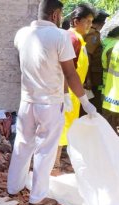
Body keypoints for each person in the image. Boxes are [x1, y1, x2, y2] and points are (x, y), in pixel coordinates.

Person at [7, 0, 97, 205]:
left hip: (27, 100)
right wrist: (84, 100)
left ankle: (13, 187)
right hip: (50, 103)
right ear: (56, 15)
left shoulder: (21, 34)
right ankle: (37, 197)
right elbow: (70, 73)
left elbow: (23, 63)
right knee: (45, 150)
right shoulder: (60, 36)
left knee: (22, 144)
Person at [56, 4, 95, 169]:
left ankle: (58, 162)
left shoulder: (79, 40)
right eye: (86, 21)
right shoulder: (72, 39)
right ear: (75, 21)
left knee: (67, 129)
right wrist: (65, 94)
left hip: (75, 93)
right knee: (61, 129)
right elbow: (66, 71)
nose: (89, 25)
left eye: (91, 22)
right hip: (69, 93)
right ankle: (54, 165)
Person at [84, 10, 110, 113]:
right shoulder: (93, 34)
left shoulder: (91, 32)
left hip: (93, 76)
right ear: (102, 23)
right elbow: (88, 56)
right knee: (94, 105)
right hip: (93, 78)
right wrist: (88, 79)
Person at [101, 27, 119, 134]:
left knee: (109, 124)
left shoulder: (114, 45)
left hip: (109, 89)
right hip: (113, 90)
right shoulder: (114, 46)